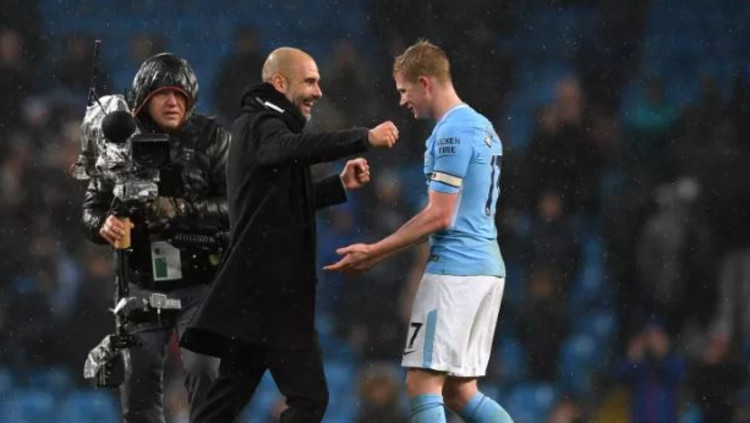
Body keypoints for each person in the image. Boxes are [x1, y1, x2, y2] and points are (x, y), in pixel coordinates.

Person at [180, 47, 398, 423]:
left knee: (224, 403)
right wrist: (363, 137)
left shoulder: (263, 127)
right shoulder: (260, 124)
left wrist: (338, 185)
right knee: (309, 399)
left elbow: (277, 203)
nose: (318, 91)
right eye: (310, 82)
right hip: (273, 293)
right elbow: (289, 149)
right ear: (280, 83)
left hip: (256, 294)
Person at [325, 40, 513, 423]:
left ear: (425, 83)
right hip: (485, 268)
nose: (402, 101)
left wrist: (376, 250)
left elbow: (440, 215)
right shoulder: (482, 126)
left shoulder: (451, 131)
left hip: (455, 270)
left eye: (404, 90)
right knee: (460, 392)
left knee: (420, 384)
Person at [82, 52, 230, 422]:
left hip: (201, 279)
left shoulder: (213, 138)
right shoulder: (117, 142)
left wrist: (181, 210)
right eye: (163, 93)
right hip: (141, 281)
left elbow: (238, 205)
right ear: (143, 99)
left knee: (206, 372)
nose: (173, 102)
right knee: (138, 386)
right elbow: (91, 210)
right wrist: (103, 224)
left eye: (180, 95)